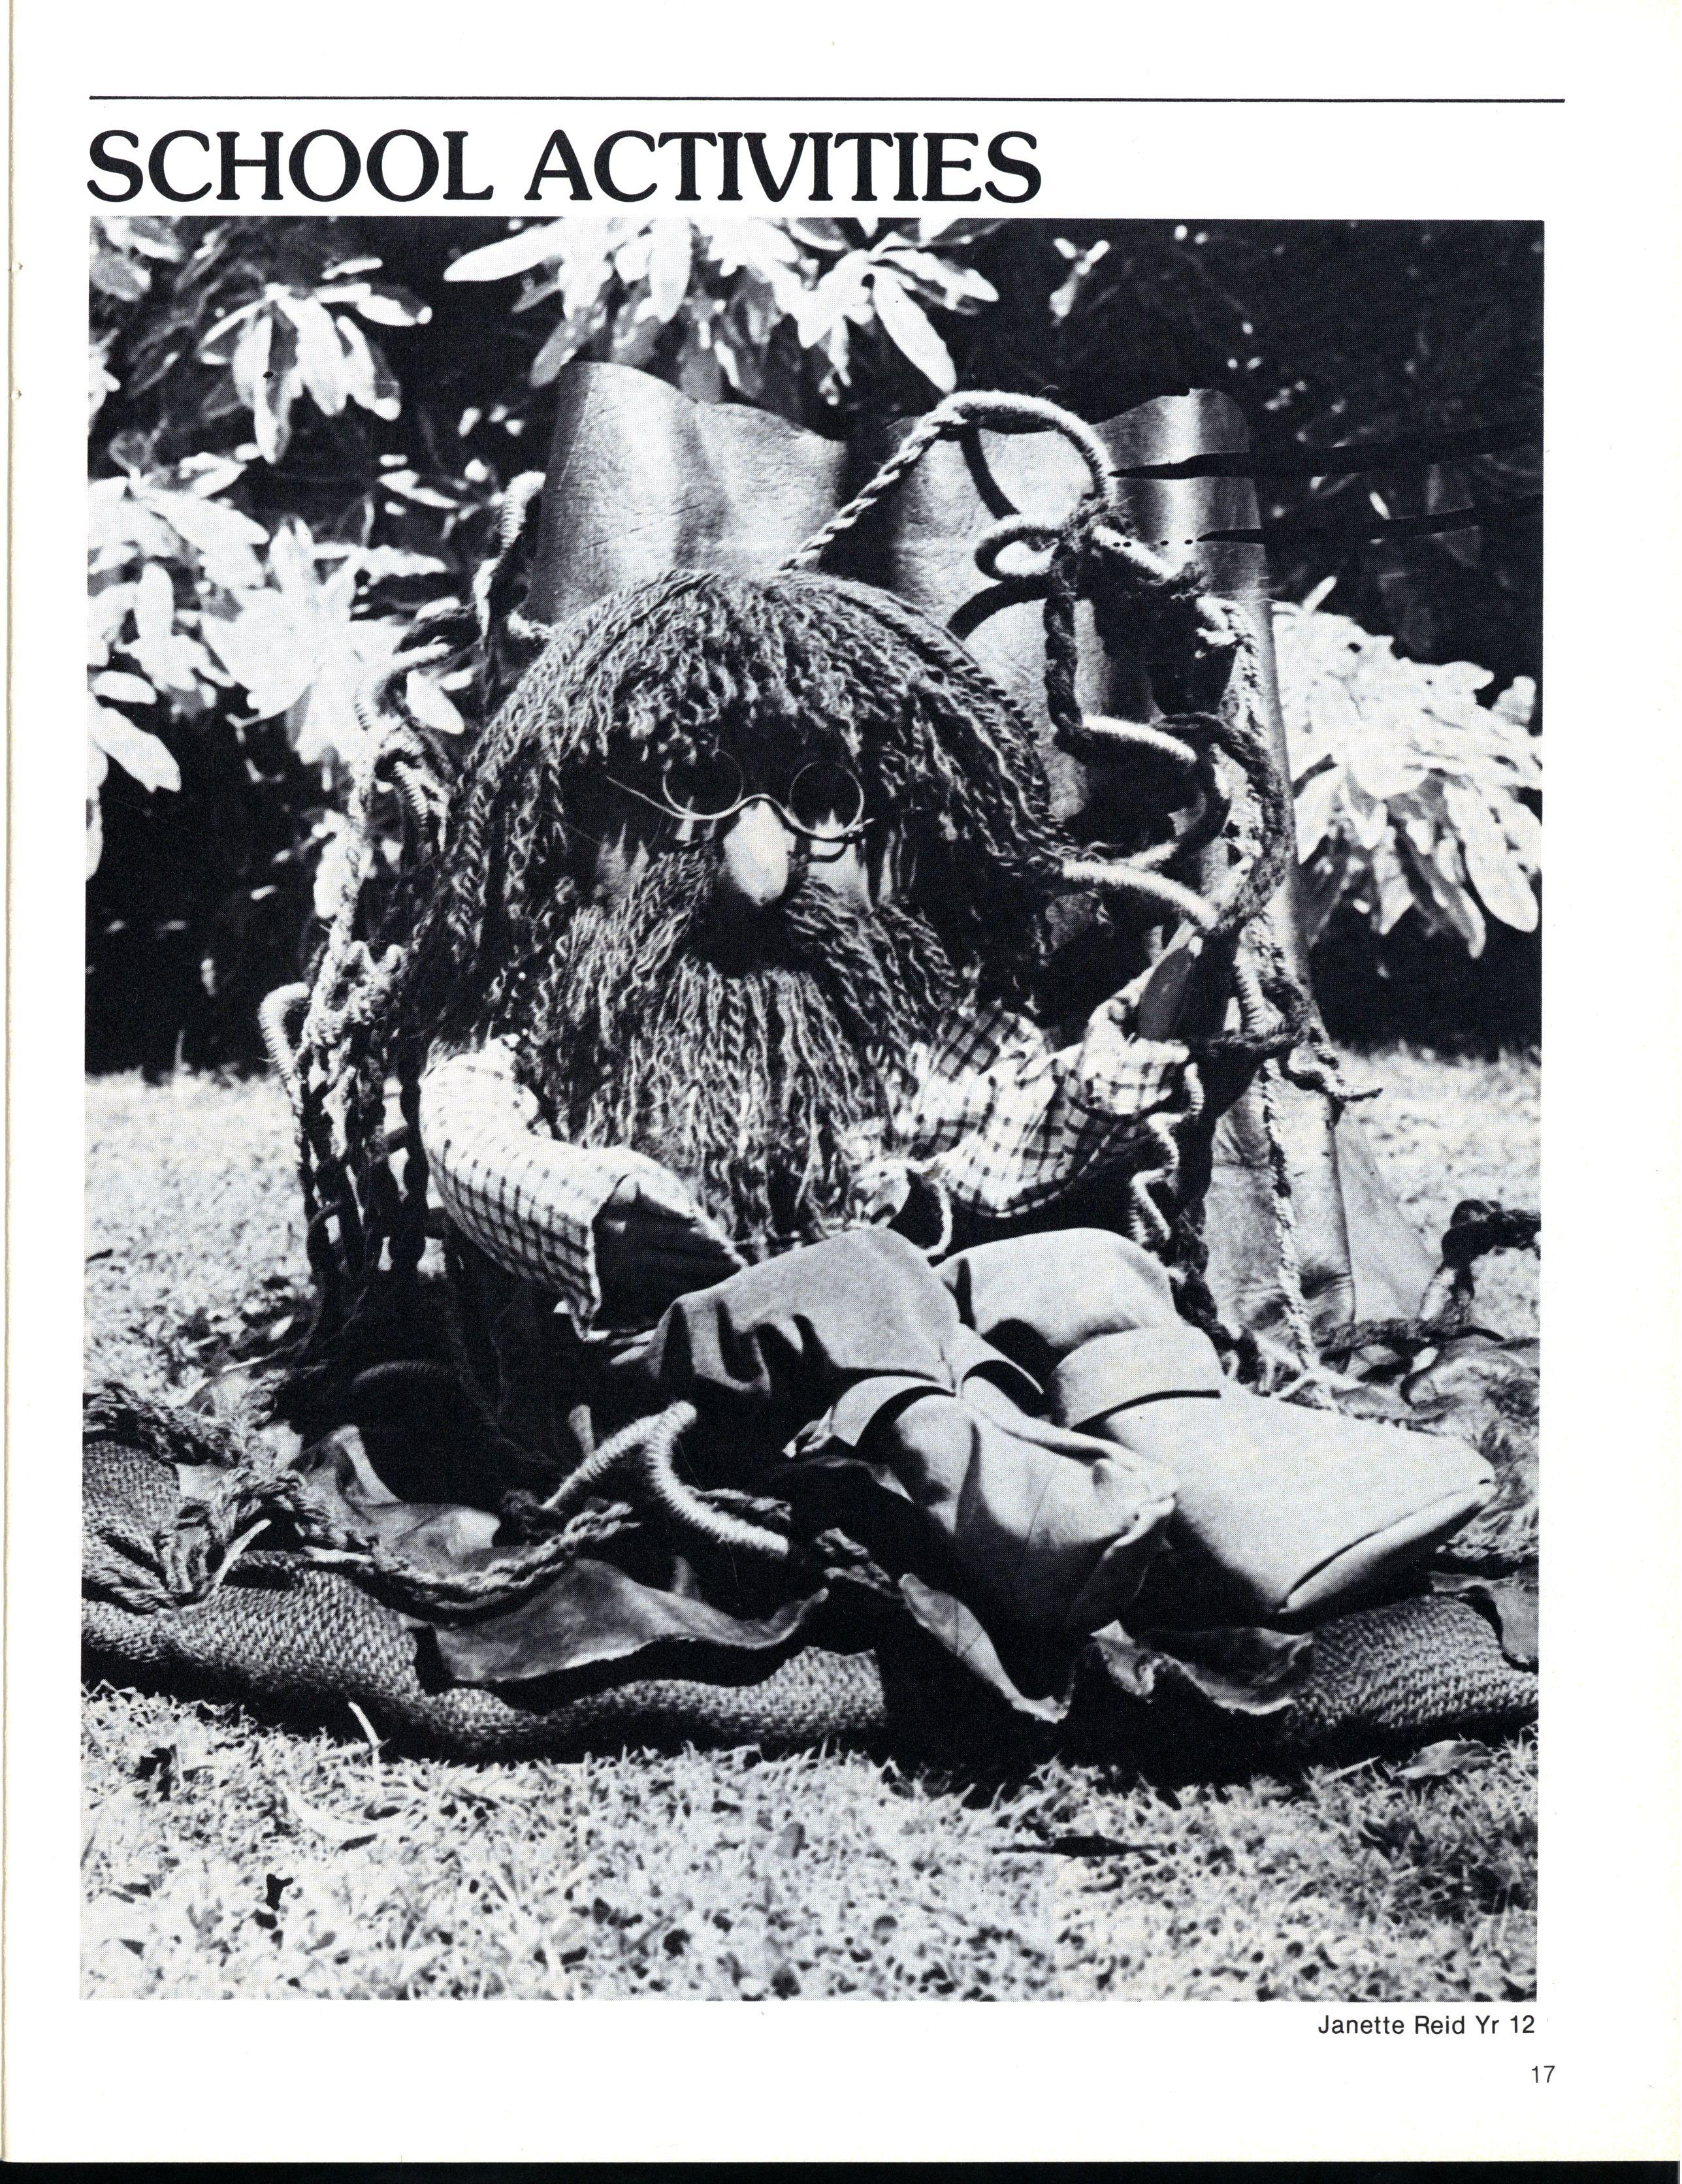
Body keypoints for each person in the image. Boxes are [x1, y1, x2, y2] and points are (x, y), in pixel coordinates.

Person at [406, 568, 1491, 1641]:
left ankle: (1232, 1486)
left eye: (822, 807)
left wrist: (1134, 1043)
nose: (760, 871)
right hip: (657, 1380)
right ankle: (1026, 1521)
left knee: (1079, 1268)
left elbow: (995, 1138)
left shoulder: (881, 1028)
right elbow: (469, 1133)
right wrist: (593, 1207)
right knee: (857, 1277)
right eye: (696, 791)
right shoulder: (558, 1021)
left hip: (874, 1333)